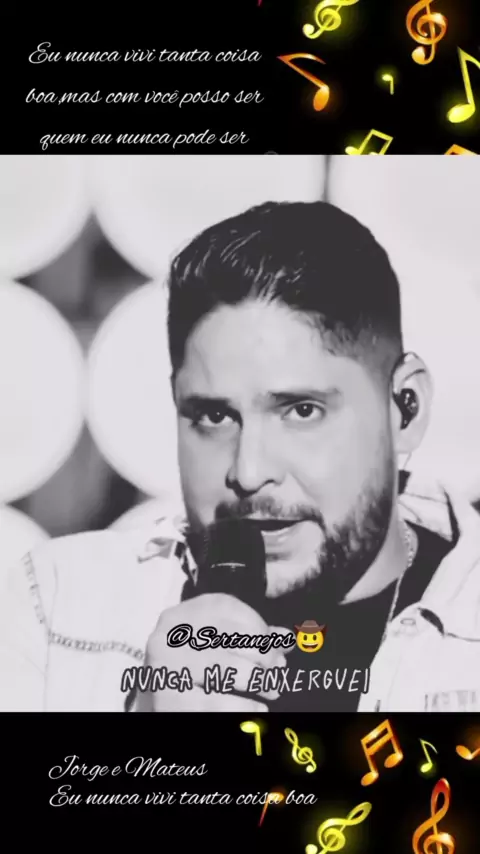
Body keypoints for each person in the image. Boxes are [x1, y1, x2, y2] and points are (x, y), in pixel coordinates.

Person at [1, 200, 479, 713]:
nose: (248, 473)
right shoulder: (57, 605)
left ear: (405, 409)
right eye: (214, 416)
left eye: (301, 411)